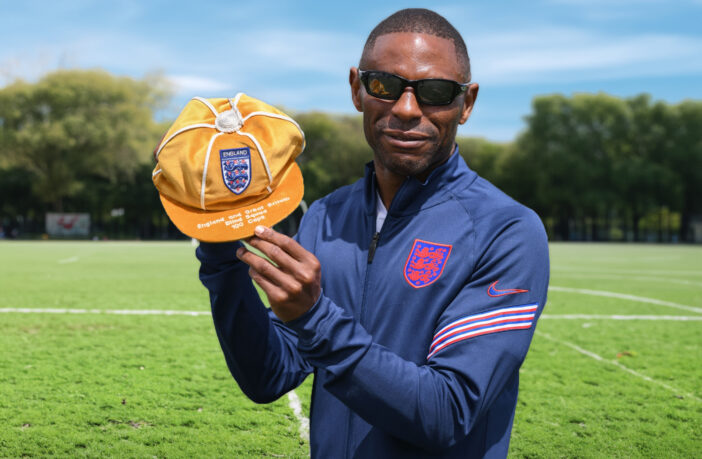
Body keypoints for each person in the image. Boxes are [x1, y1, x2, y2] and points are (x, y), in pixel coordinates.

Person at [196, 8, 549, 458]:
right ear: (357, 89)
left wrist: (314, 317)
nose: (406, 109)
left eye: (435, 92)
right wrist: (219, 248)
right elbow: (270, 375)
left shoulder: (507, 230)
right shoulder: (326, 215)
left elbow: (449, 411)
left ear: (467, 103)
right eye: (384, 85)